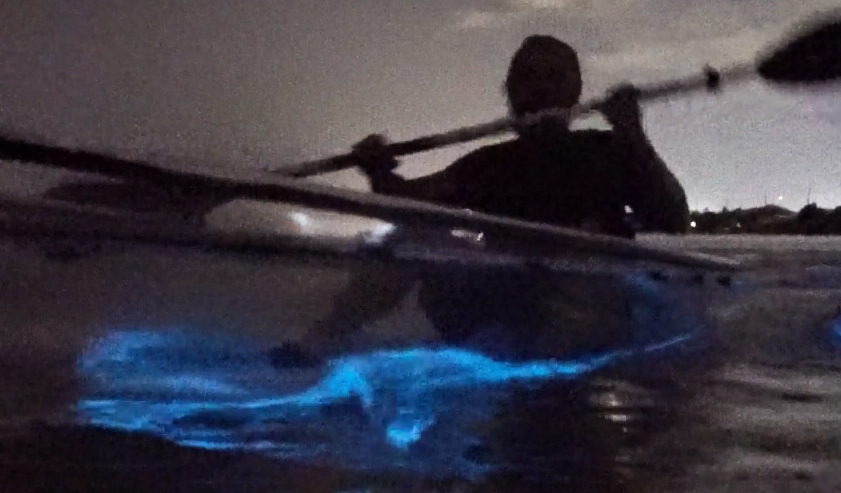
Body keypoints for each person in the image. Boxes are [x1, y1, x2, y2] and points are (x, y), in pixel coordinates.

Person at [270, 34, 692, 366]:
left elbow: (672, 216)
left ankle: (550, 381)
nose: (540, 89)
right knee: (413, 233)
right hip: (503, 305)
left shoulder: (610, 150)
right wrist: (379, 170)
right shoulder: (487, 164)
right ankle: (319, 343)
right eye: (528, 79)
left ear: (575, 92)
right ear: (510, 92)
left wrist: (633, 133)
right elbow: (410, 205)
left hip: (585, 306)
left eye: (554, 78)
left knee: (582, 303)